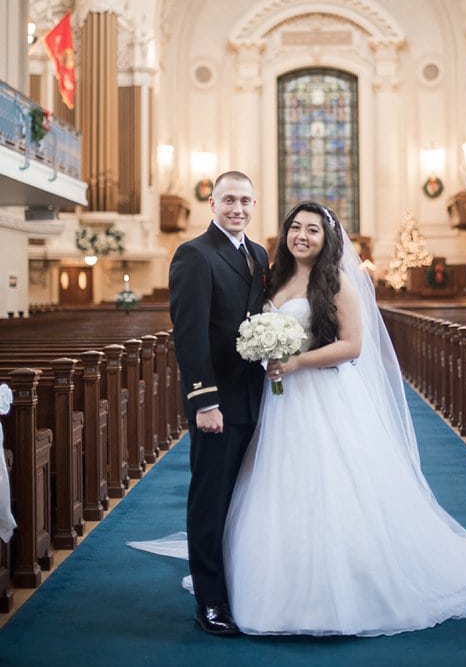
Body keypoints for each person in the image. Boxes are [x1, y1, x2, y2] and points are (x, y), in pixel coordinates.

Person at [131, 199, 466, 637]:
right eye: (295, 227)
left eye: (312, 229)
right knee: (274, 485)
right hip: (277, 403)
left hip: (320, 395)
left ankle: (342, 585)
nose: (302, 235)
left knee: (331, 486)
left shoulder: (336, 280)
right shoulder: (270, 274)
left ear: (327, 237)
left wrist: (298, 362)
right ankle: (267, 582)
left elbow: (353, 345)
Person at [168, 170, 269, 636]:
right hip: (218, 405)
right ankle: (210, 602)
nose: (238, 208)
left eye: (246, 201)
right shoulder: (194, 255)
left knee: (245, 499)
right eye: (229, 199)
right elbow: (189, 339)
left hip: (259, 400)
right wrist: (204, 402)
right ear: (212, 203)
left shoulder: (259, 254)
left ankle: (241, 584)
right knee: (210, 501)